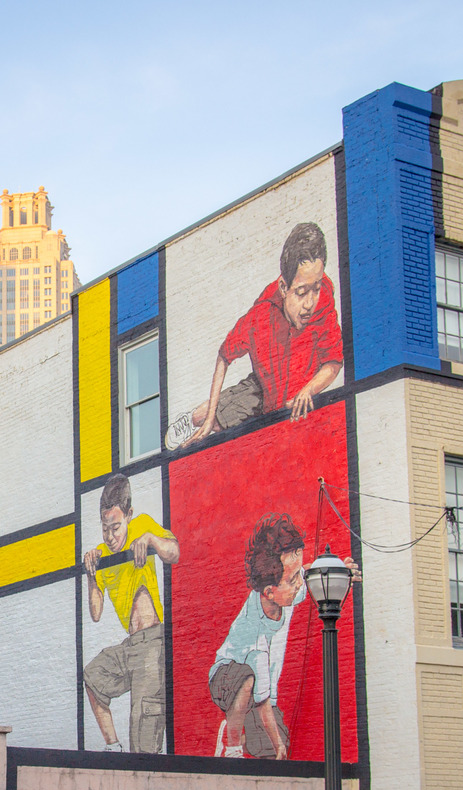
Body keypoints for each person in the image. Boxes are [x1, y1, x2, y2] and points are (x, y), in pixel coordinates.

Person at [166, 222, 343, 450]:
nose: (310, 303)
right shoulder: (260, 316)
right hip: (263, 383)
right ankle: (191, 419)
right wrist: (209, 420)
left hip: (293, 389)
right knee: (207, 416)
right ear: (283, 287)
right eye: (301, 292)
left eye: (315, 289)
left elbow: (333, 362)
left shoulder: (324, 301)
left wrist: (309, 389)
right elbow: (224, 356)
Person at [208, 514, 360, 759]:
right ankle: (232, 744)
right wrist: (277, 742)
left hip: (258, 692)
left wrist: (341, 572)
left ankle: (243, 735)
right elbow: (263, 702)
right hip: (226, 678)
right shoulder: (255, 636)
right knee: (247, 681)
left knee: (275, 750)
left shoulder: (284, 592)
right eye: (293, 579)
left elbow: (311, 575)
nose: (300, 583)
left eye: (298, 575)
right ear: (270, 592)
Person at [82, 474, 180, 753]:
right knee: (93, 676)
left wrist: (150, 540)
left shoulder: (142, 525)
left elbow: (174, 552)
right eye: (105, 529)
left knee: (144, 738)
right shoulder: (101, 554)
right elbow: (96, 613)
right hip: (129, 647)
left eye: (115, 527)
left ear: (128, 515)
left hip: (153, 642)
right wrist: (91, 575)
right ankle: (113, 747)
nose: (110, 536)